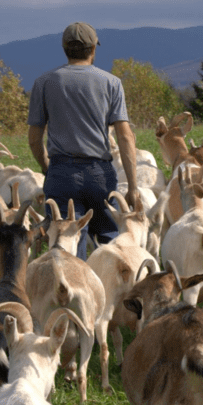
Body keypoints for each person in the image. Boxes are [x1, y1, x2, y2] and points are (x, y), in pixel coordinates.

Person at [27, 21, 140, 260]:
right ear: (93, 49)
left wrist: (47, 167)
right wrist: (132, 186)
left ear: (64, 48)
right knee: (111, 242)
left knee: (66, 245)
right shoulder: (111, 83)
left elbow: (34, 139)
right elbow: (125, 136)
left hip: (61, 173)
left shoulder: (44, 83)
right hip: (100, 173)